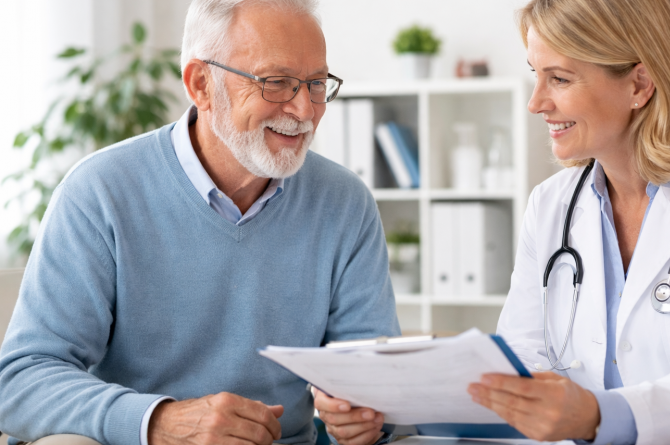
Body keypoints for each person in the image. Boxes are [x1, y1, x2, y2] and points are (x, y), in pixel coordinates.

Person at [0, 1, 400, 444]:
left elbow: (379, 377)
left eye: (317, 83)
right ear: (201, 85)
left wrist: (368, 411)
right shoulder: (99, 192)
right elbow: (20, 381)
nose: (305, 110)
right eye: (277, 83)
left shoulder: (345, 202)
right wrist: (159, 422)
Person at [462, 1, 670, 444]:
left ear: (639, 83)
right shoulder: (550, 205)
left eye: (559, 79)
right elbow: (523, 359)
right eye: (536, 75)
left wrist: (594, 415)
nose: (535, 103)